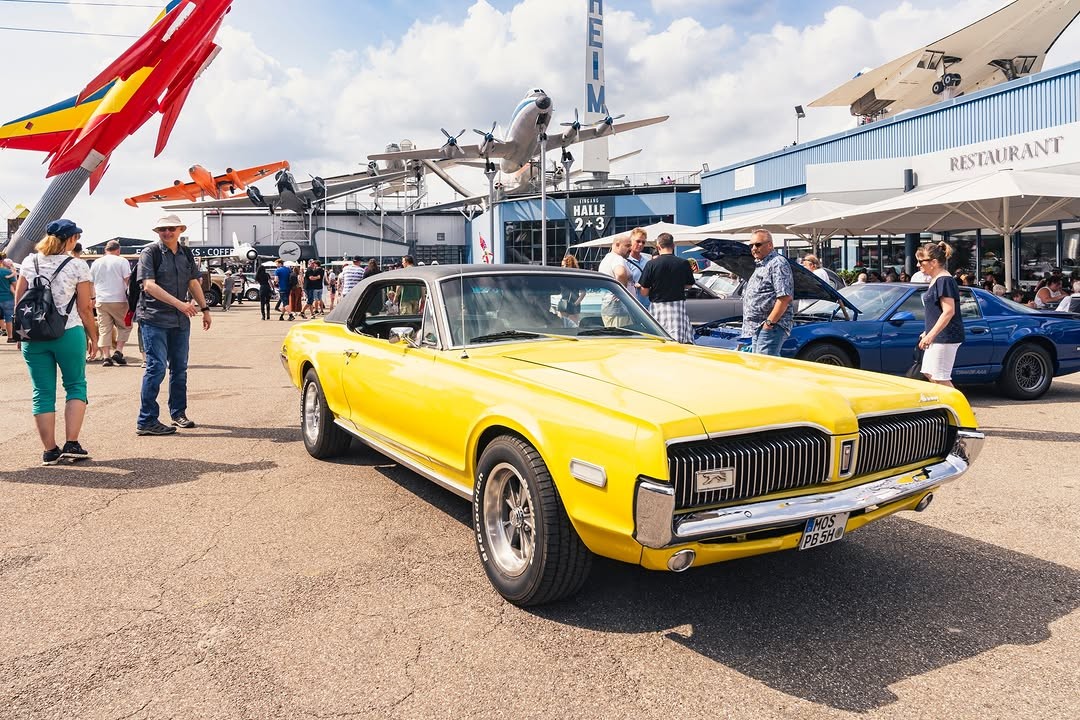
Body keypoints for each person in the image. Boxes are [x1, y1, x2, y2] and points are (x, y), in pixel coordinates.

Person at [14, 219, 97, 464]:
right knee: (75, 385)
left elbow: (20, 302)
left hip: (34, 334)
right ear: (72, 239)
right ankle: (72, 443)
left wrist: (22, 333)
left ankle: (50, 450)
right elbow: (84, 308)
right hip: (68, 332)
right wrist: (94, 336)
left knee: (42, 391)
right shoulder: (78, 266)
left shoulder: (30, 261)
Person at [135, 214, 212, 436]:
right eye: (162, 230)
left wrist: (205, 309)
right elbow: (149, 286)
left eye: (171, 229)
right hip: (154, 318)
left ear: (180, 230)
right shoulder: (150, 253)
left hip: (179, 320)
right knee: (156, 368)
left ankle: (178, 413)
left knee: (180, 369)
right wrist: (180, 304)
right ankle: (147, 420)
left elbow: (192, 282)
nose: (167, 233)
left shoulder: (186, 253)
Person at [916, 241, 964, 388]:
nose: (918, 265)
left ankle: (960, 409)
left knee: (940, 378)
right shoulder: (938, 280)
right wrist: (928, 332)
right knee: (930, 374)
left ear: (934, 262)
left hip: (945, 337)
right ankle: (948, 408)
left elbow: (949, 311)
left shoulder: (944, 280)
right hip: (939, 336)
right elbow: (936, 312)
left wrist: (931, 335)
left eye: (921, 261)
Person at [741, 229, 793, 356]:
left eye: (758, 244)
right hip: (757, 326)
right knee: (760, 366)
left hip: (771, 326)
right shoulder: (762, 264)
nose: (754, 248)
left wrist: (769, 323)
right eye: (751, 245)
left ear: (770, 245)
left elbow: (785, 297)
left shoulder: (778, 263)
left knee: (765, 367)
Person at [638, 233, 695, 343]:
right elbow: (689, 285)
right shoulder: (683, 263)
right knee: (679, 341)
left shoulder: (651, 264)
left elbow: (644, 292)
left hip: (658, 308)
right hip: (678, 308)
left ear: (658, 246)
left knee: (659, 340)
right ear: (673, 246)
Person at [89, 239, 132, 366]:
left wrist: (92, 298)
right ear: (118, 250)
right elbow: (127, 280)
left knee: (104, 329)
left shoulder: (96, 262)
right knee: (125, 326)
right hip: (119, 299)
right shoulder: (122, 261)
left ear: (105, 250)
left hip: (101, 299)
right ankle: (118, 351)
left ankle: (106, 356)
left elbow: (91, 282)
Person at [597, 234, 634, 327]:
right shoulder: (617, 258)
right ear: (617, 244)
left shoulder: (607, 259)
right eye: (627, 245)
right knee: (623, 337)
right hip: (619, 308)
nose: (630, 249)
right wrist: (623, 292)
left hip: (610, 306)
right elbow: (620, 273)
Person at [625, 227, 652, 308]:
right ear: (631, 241)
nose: (640, 244)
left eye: (643, 242)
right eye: (638, 241)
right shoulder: (624, 261)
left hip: (648, 305)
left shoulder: (648, 260)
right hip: (632, 305)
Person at [557, 254, 586, 326]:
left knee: (573, 326)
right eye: (562, 266)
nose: (563, 267)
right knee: (560, 325)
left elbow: (583, 292)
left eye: (565, 265)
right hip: (564, 303)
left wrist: (576, 303)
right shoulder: (561, 277)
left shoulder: (576, 277)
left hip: (573, 304)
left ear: (570, 265)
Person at [1, 253, 16, 344]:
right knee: (9, 318)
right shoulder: (7, 272)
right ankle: (10, 337)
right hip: (7, 298)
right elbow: (15, 285)